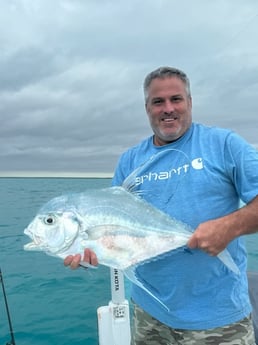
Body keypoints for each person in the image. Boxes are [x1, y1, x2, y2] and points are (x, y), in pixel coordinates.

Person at [64, 66, 258, 344]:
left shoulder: (224, 144)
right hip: (149, 314)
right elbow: (114, 235)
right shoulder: (130, 161)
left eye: (176, 99)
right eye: (158, 102)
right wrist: (87, 255)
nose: (168, 108)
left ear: (189, 103)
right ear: (147, 108)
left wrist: (230, 226)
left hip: (218, 318)